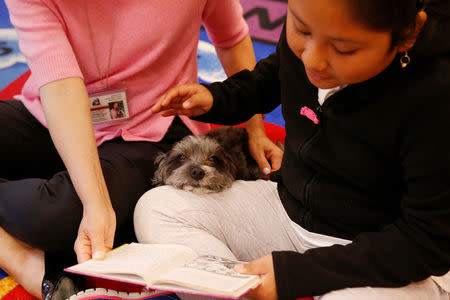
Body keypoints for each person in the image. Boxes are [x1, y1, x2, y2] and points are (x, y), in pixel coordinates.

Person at [138, 0, 450, 299]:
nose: (312, 59)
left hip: (382, 256)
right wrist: (216, 98)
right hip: (289, 215)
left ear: (407, 34)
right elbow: (269, 79)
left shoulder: (433, 97)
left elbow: (426, 241)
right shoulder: (306, 46)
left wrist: (298, 274)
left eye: (344, 48)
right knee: (158, 208)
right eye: (301, 29)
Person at [0, 0, 283, 299]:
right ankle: (13, 252)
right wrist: (96, 203)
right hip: (53, 110)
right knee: (86, 213)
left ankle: (14, 252)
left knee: (53, 217)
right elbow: (59, 87)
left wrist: (255, 128)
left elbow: (231, 38)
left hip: (153, 126)